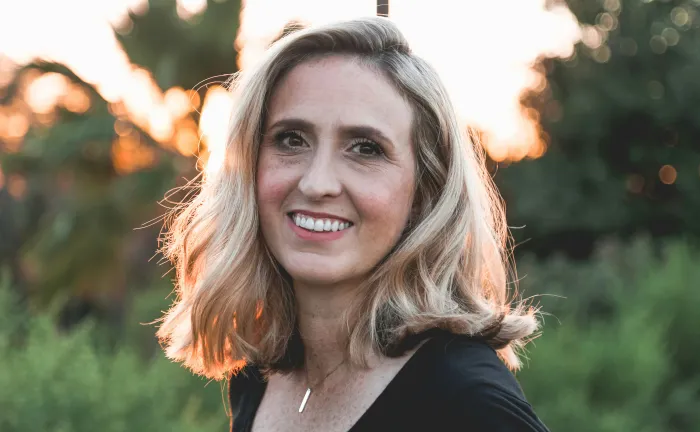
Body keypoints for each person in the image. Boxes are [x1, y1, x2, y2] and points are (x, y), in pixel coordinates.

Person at [155, 16, 550, 432]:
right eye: (292, 139)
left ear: (424, 192)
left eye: (365, 149)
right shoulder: (258, 375)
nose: (317, 182)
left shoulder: (468, 403)